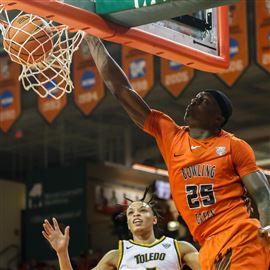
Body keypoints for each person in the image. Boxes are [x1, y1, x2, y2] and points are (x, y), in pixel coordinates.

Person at [84, 35, 270, 269]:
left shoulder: (234, 146)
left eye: (203, 100)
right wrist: (93, 39)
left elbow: (263, 194)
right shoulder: (171, 135)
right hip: (208, 244)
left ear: (218, 119)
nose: (194, 100)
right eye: (194, 97)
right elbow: (122, 90)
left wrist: (267, 230)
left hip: (240, 235)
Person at [42, 190, 201, 270]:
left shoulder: (179, 248)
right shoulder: (116, 255)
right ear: (129, 224)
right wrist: (62, 253)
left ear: (154, 219)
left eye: (143, 210)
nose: (136, 214)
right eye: (131, 213)